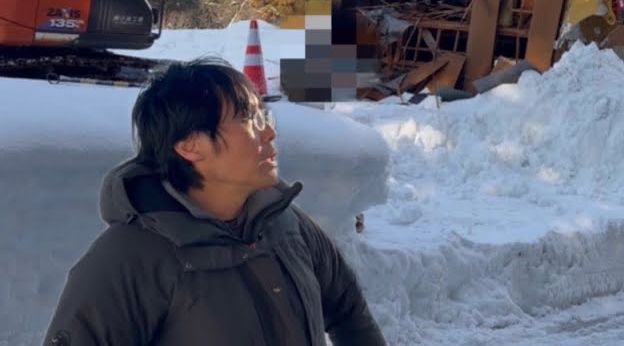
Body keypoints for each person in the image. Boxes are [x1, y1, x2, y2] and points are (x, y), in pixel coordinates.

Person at [42, 57, 387, 346]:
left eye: (264, 116)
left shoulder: (286, 224)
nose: (269, 132)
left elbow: (348, 312)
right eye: (247, 119)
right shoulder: (129, 258)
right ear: (190, 146)